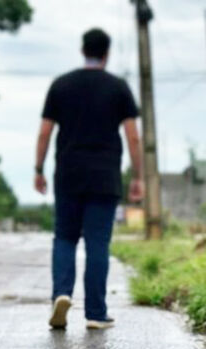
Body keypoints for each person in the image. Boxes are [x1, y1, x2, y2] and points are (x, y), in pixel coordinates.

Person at [34, 27, 143, 330]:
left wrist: (38, 169)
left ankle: (61, 295)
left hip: (68, 174)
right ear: (106, 54)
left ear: (83, 51)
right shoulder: (118, 88)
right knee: (97, 243)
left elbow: (45, 131)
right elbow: (133, 138)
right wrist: (138, 176)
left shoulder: (61, 85)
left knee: (65, 237)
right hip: (105, 177)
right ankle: (95, 312)